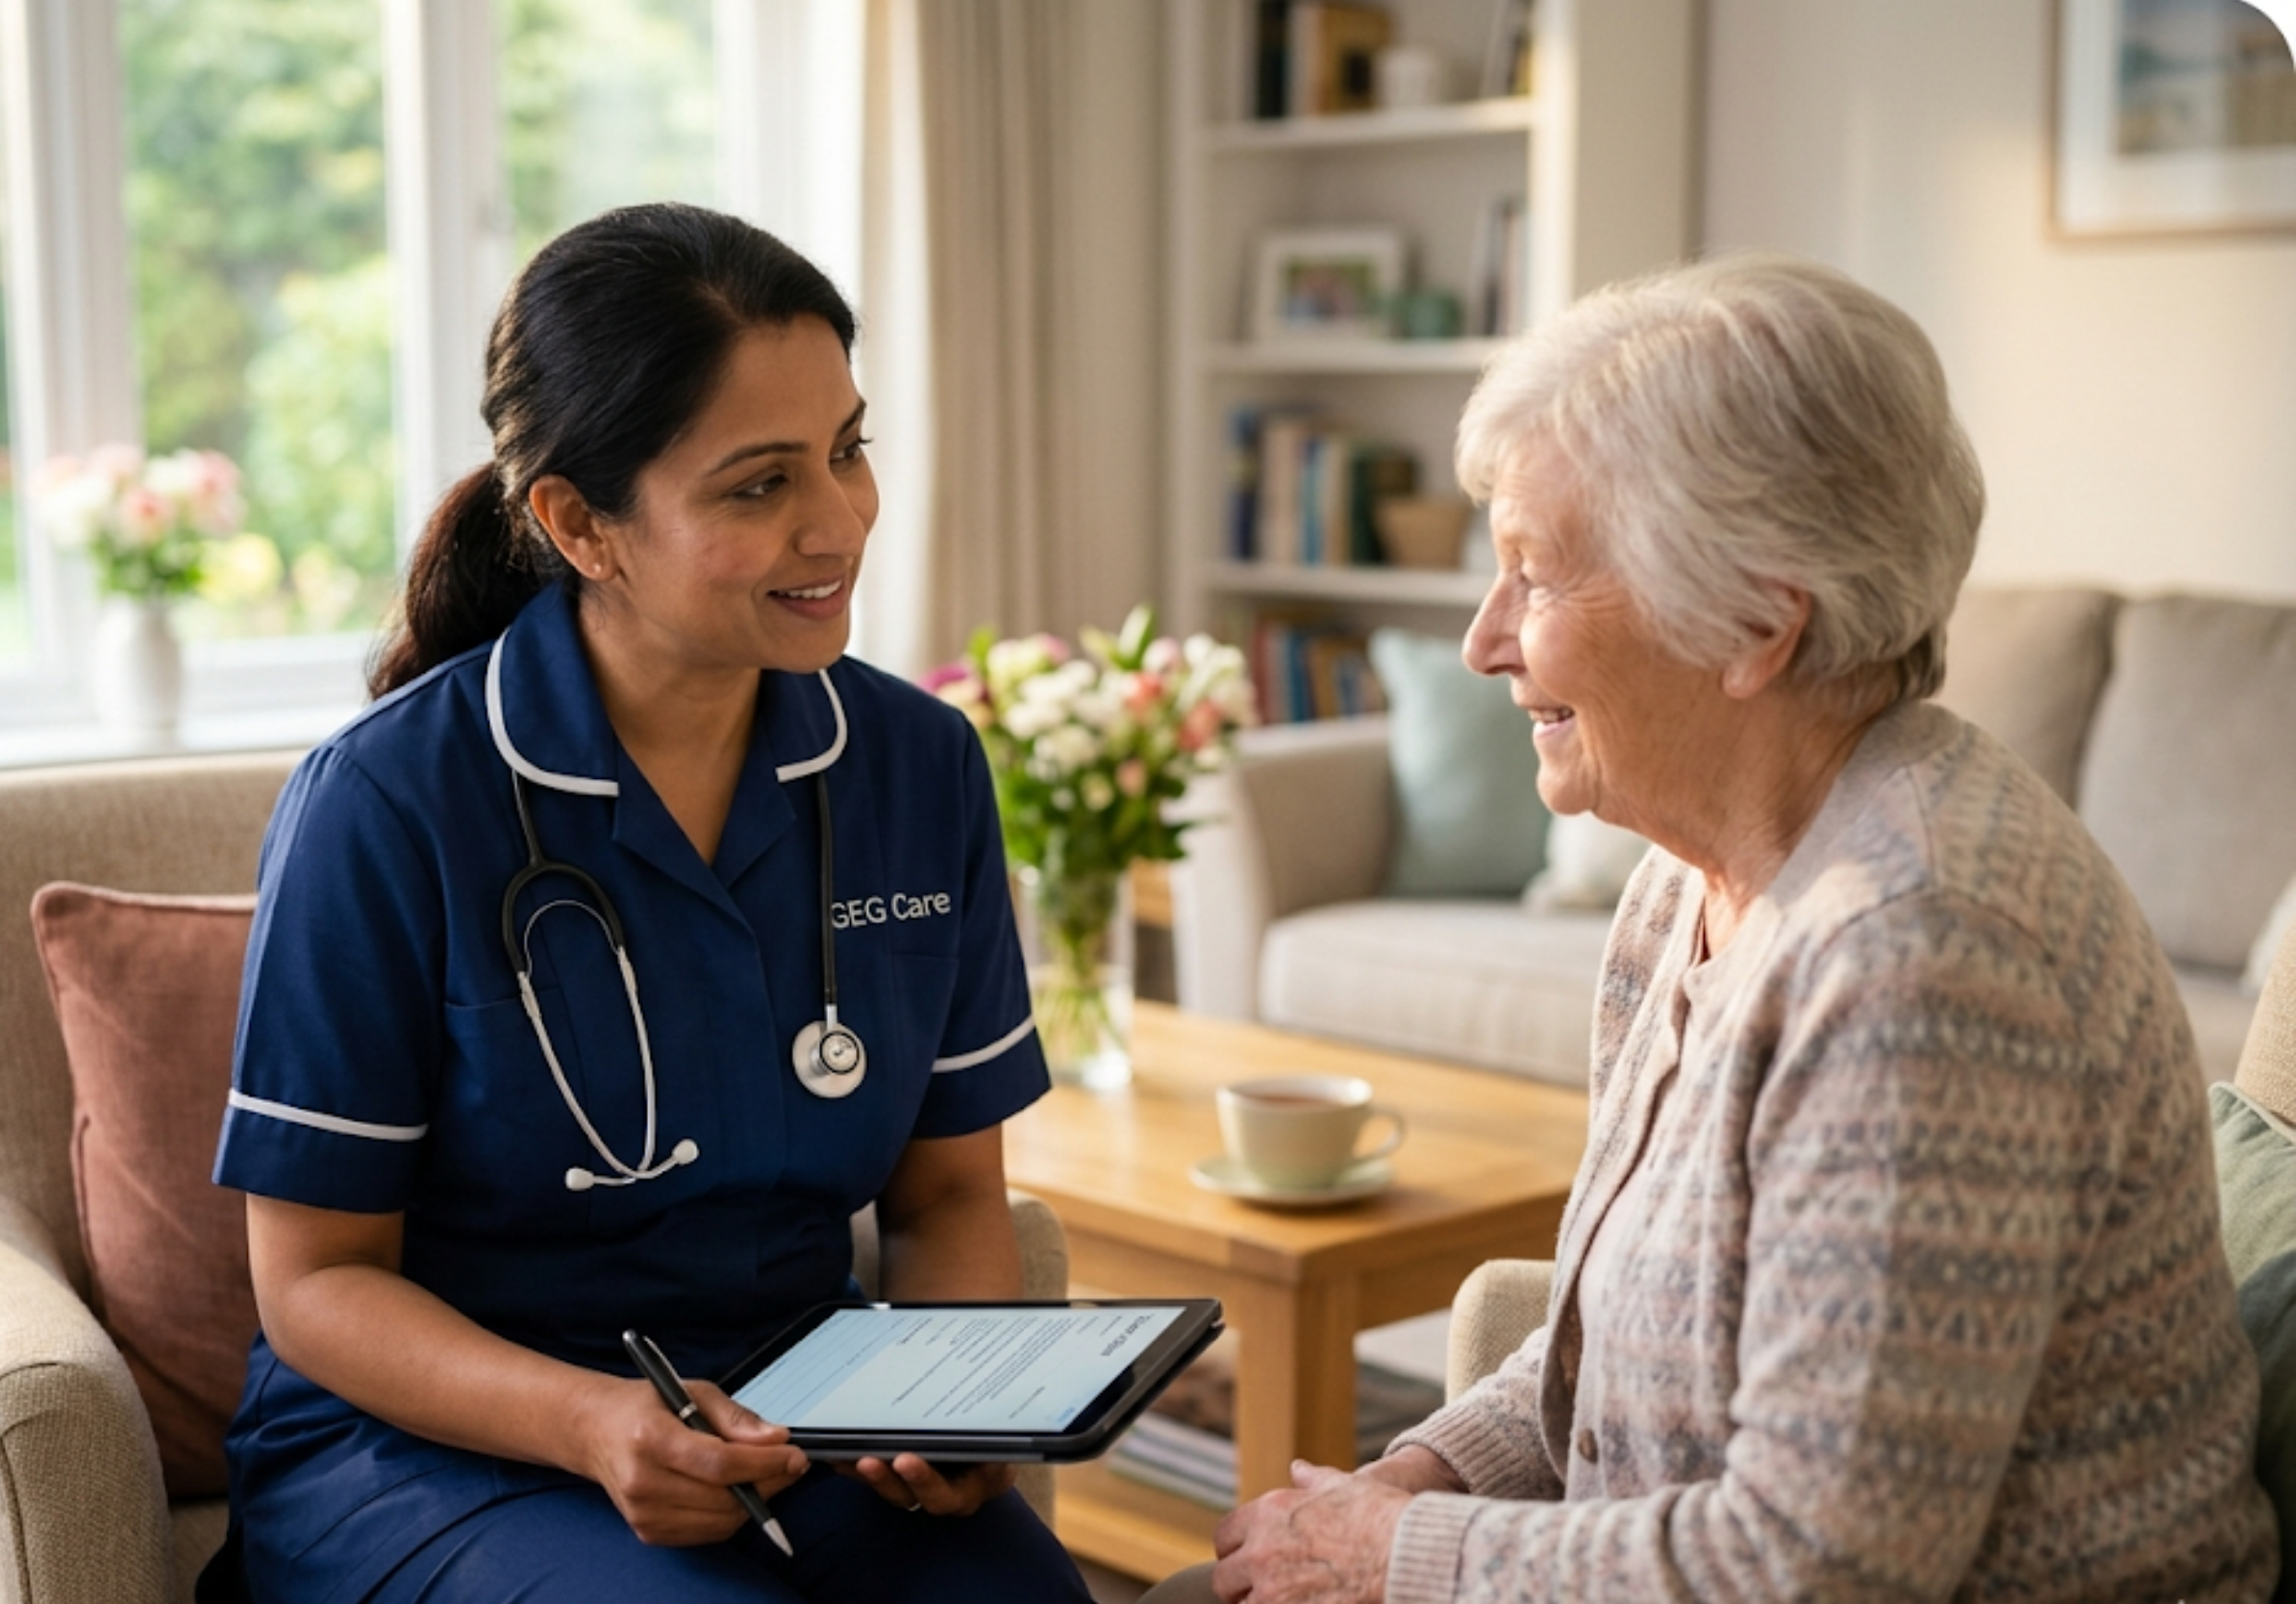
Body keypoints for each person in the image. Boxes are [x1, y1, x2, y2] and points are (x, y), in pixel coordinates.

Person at [1152, 254, 2280, 1603]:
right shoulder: (1690, 879)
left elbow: (1822, 1568)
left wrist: (1395, 1557)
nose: (1484, 641)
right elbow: (1617, 1341)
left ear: (1755, 624)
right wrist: (1421, 1473)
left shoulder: (1920, 956)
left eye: (1533, 576)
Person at [208, 202, 1094, 1603]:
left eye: (848, 449)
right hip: (437, 1448)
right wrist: (590, 1422)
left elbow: (943, 1194)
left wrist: (956, 1407)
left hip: (798, 1416)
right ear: (580, 524)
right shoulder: (384, 803)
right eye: (758, 485)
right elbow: (314, 1282)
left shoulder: (918, 766)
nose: (838, 522)